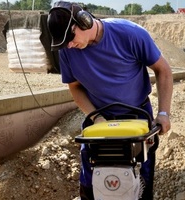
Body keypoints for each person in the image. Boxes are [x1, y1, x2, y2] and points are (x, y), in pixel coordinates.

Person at [47, 1, 173, 200]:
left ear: (84, 21)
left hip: (137, 115)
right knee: (91, 179)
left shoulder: (130, 34)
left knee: (140, 177)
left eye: (70, 39)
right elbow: (75, 87)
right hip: (98, 117)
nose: (69, 45)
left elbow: (163, 70)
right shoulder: (67, 50)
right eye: (64, 43)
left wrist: (163, 113)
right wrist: (96, 118)